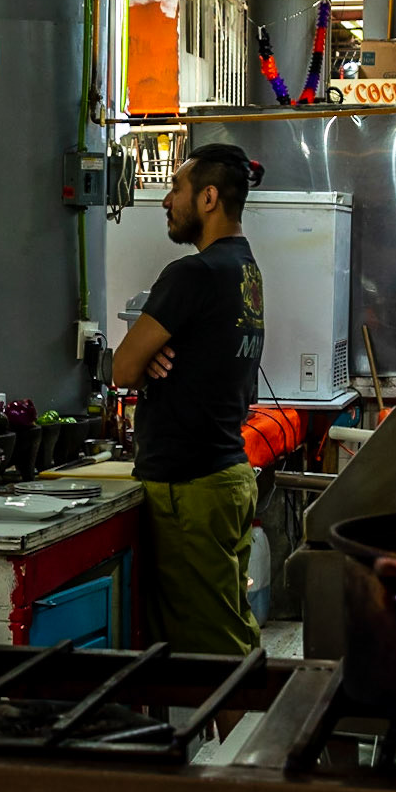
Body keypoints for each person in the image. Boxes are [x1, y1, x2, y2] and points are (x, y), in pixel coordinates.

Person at [111, 143, 267, 655]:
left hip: (189, 486)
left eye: (175, 188)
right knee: (230, 632)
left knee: (214, 654)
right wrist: (158, 352)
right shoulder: (245, 270)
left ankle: (262, 737)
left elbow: (123, 367)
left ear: (208, 198)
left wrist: (146, 356)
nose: (165, 200)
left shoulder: (192, 274)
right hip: (226, 473)